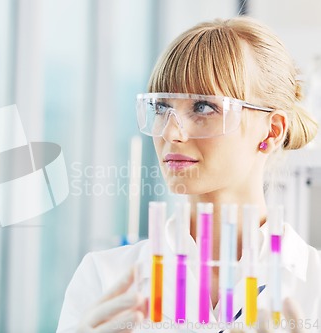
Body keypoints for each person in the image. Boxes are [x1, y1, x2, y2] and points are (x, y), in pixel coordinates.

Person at [57, 16, 321, 333]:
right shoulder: (105, 279)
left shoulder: (313, 287)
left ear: (273, 130)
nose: (171, 132)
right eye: (162, 108)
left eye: (202, 108)